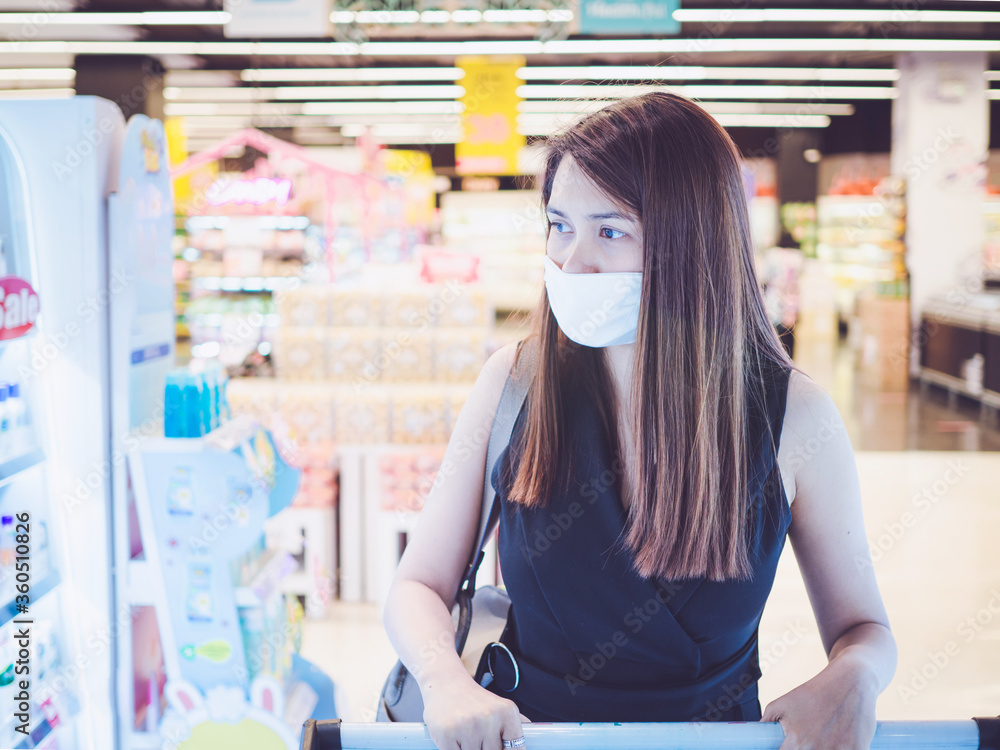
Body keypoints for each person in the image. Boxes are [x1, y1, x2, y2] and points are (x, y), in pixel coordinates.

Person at [382, 91, 896, 750]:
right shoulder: (513, 386)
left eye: (610, 230)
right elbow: (418, 584)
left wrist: (856, 674)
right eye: (559, 225)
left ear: (691, 241)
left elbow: (866, 630)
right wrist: (446, 681)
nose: (571, 260)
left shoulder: (791, 416)